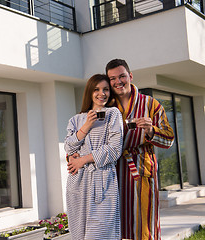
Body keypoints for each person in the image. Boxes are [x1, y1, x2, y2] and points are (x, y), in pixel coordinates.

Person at [105, 59, 175, 240]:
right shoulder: (106, 107)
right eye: (112, 78)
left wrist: (151, 130)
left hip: (142, 170)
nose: (118, 82)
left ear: (130, 76)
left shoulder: (151, 104)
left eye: (122, 76)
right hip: (113, 173)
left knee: (145, 225)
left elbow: (169, 139)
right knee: (114, 225)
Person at [65, 74, 123, 240]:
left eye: (105, 89)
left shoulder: (113, 114)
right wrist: (87, 125)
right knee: (79, 233)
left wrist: (82, 159)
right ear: (89, 92)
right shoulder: (76, 120)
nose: (102, 93)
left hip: (102, 181)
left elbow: (114, 149)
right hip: (78, 181)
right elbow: (69, 147)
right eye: (96, 89)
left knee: (99, 234)